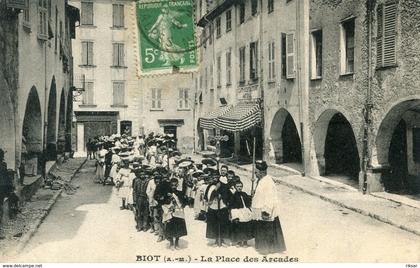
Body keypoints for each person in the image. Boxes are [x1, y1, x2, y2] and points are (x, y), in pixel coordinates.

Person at [252, 160, 286, 255]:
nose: (255, 174)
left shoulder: (268, 182)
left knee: (266, 230)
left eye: (256, 172)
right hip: (259, 209)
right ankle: (265, 247)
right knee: (263, 229)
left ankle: (266, 249)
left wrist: (266, 211)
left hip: (265, 210)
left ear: (262, 172)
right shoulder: (261, 180)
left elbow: (270, 198)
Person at [204, 171, 231, 247]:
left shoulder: (223, 185)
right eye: (214, 177)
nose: (215, 178)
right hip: (213, 206)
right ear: (212, 177)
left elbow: (227, 194)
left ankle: (222, 239)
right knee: (214, 223)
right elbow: (208, 196)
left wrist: (222, 196)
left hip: (222, 206)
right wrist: (215, 191)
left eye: (217, 176)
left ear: (219, 177)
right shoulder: (210, 186)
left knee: (222, 223)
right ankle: (216, 239)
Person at [162, 178, 188, 250]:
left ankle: (176, 242)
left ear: (177, 185)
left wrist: (182, 204)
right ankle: (171, 243)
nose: (173, 186)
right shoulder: (167, 193)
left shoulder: (180, 193)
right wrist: (168, 199)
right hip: (170, 212)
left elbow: (185, 202)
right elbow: (163, 202)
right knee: (170, 228)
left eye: (175, 185)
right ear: (170, 185)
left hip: (178, 212)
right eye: (172, 185)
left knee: (178, 228)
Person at [229, 180, 254, 247]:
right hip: (238, 212)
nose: (239, 188)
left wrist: (251, 196)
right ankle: (239, 241)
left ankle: (245, 241)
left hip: (245, 211)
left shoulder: (244, 194)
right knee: (239, 227)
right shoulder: (233, 196)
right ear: (235, 187)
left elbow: (248, 201)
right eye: (238, 186)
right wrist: (234, 215)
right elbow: (232, 206)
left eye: (240, 186)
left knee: (246, 226)